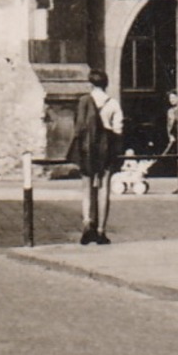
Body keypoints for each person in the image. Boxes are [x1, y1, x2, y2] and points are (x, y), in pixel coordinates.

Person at [68, 68, 124, 244]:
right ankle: (101, 231)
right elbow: (119, 129)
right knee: (104, 189)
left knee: (86, 188)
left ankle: (87, 224)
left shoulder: (83, 101)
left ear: (90, 84)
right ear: (106, 84)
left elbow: (77, 127)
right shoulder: (113, 103)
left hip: (87, 148)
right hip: (105, 148)